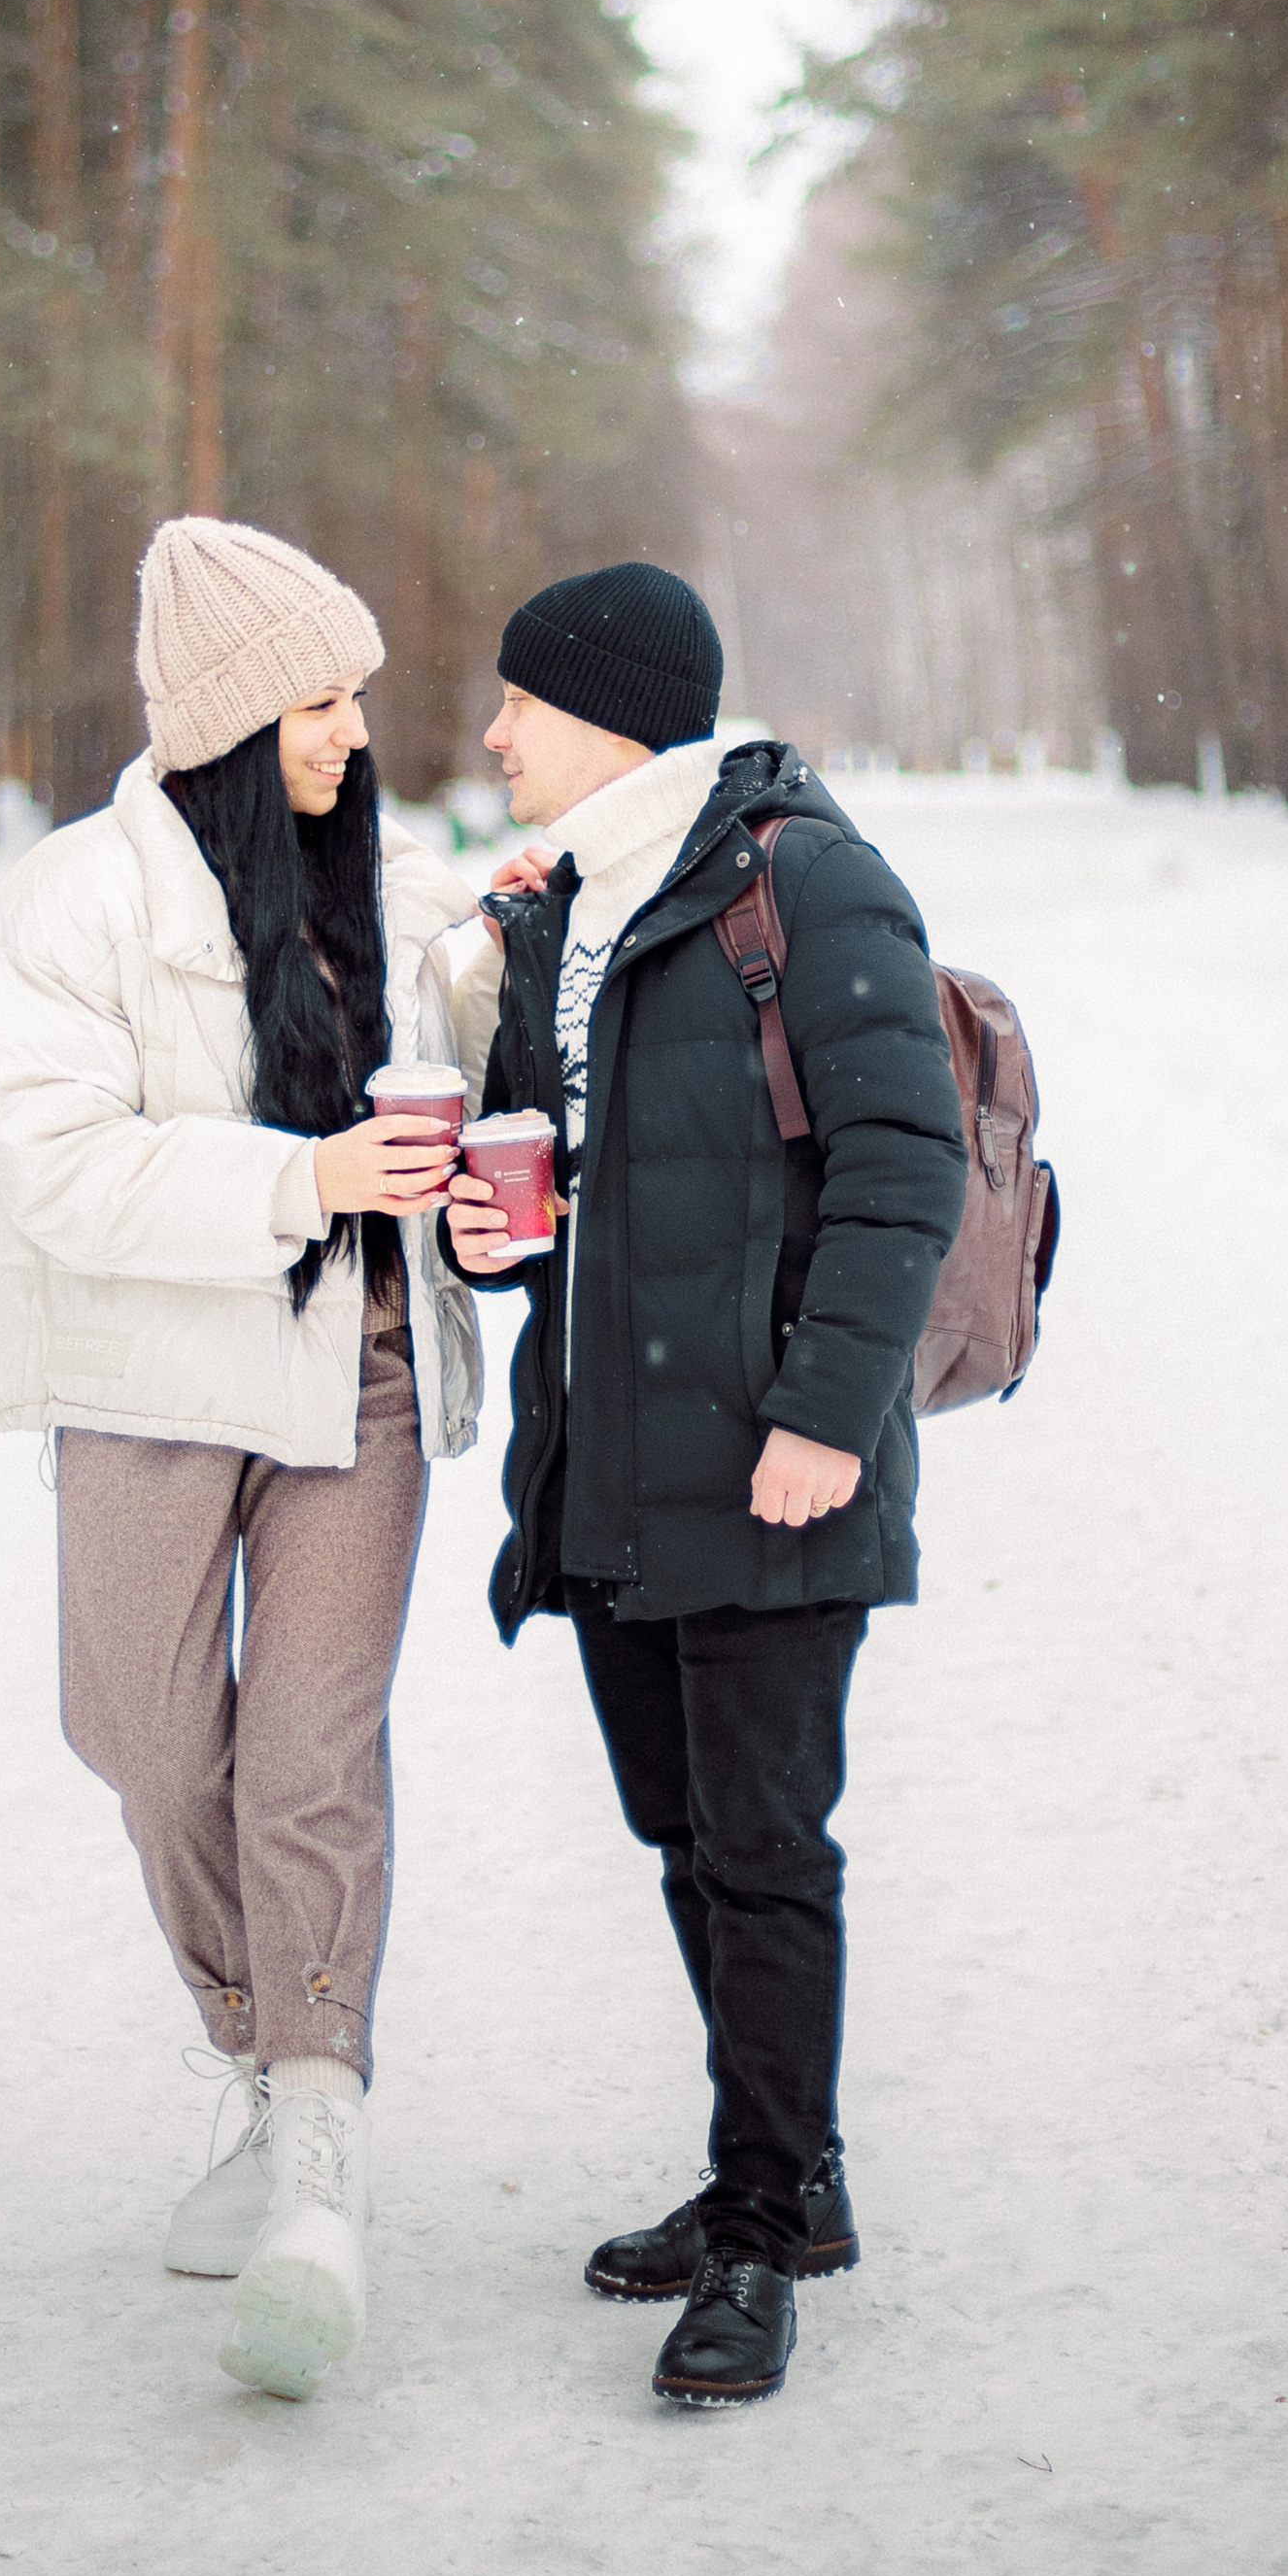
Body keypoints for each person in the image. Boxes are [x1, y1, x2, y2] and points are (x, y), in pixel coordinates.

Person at [0, 517, 484, 2401]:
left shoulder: (401, 901)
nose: (353, 734)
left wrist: (479, 1174)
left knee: (305, 1756)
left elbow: (488, 1087)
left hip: (356, 1382)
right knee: (150, 1741)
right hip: (154, 1378)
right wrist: (298, 1176)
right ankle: (261, 2055)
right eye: (320, 703)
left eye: (356, 695)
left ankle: (320, 2140)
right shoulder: (73, 903)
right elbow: (50, 1164)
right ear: (229, 721)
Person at [442, 561, 966, 2409]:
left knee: (761, 1854)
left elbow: (912, 1162)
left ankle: (762, 2230)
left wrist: (826, 1413)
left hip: (767, 1469)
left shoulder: (798, 878)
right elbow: (556, 1182)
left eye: (518, 701)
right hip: (610, 1470)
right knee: (687, 1841)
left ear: (608, 710)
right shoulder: (567, 908)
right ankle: (781, 2172)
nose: (491, 734)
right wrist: (493, 1218)